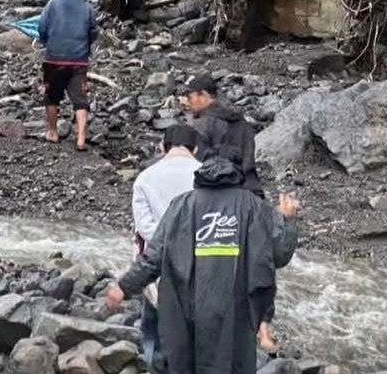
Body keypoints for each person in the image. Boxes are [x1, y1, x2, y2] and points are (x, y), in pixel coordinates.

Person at [104, 146, 300, 374]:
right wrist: (288, 221)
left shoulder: (181, 205)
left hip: (186, 312)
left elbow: (154, 257)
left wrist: (123, 287)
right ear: (239, 172)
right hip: (236, 316)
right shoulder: (255, 207)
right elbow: (279, 255)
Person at [184, 74, 278, 350]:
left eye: (190, 97)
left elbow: (201, 165)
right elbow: (249, 160)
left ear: (203, 95)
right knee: (258, 260)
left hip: (221, 197)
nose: (188, 103)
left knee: (216, 258)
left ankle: (218, 324)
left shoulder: (202, 124)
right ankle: (263, 328)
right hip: (252, 193)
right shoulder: (242, 123)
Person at [132, 125, 201, 371]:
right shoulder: (205, 174)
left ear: (163, 146)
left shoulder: (145, 178)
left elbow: (143, 227)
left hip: (157, 264)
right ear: (195, 149)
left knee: (154, 329)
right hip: (199, 263)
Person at [37, 0, 96, 151]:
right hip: (78, 60)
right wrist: (86, 47)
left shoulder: (53, 3)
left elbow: (42, 27)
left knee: (52, 96)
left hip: (54, 58)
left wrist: (46, 41)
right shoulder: (88, 8)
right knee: (80, 99)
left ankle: (53, 132)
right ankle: (81, 139)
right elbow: (93, 32)